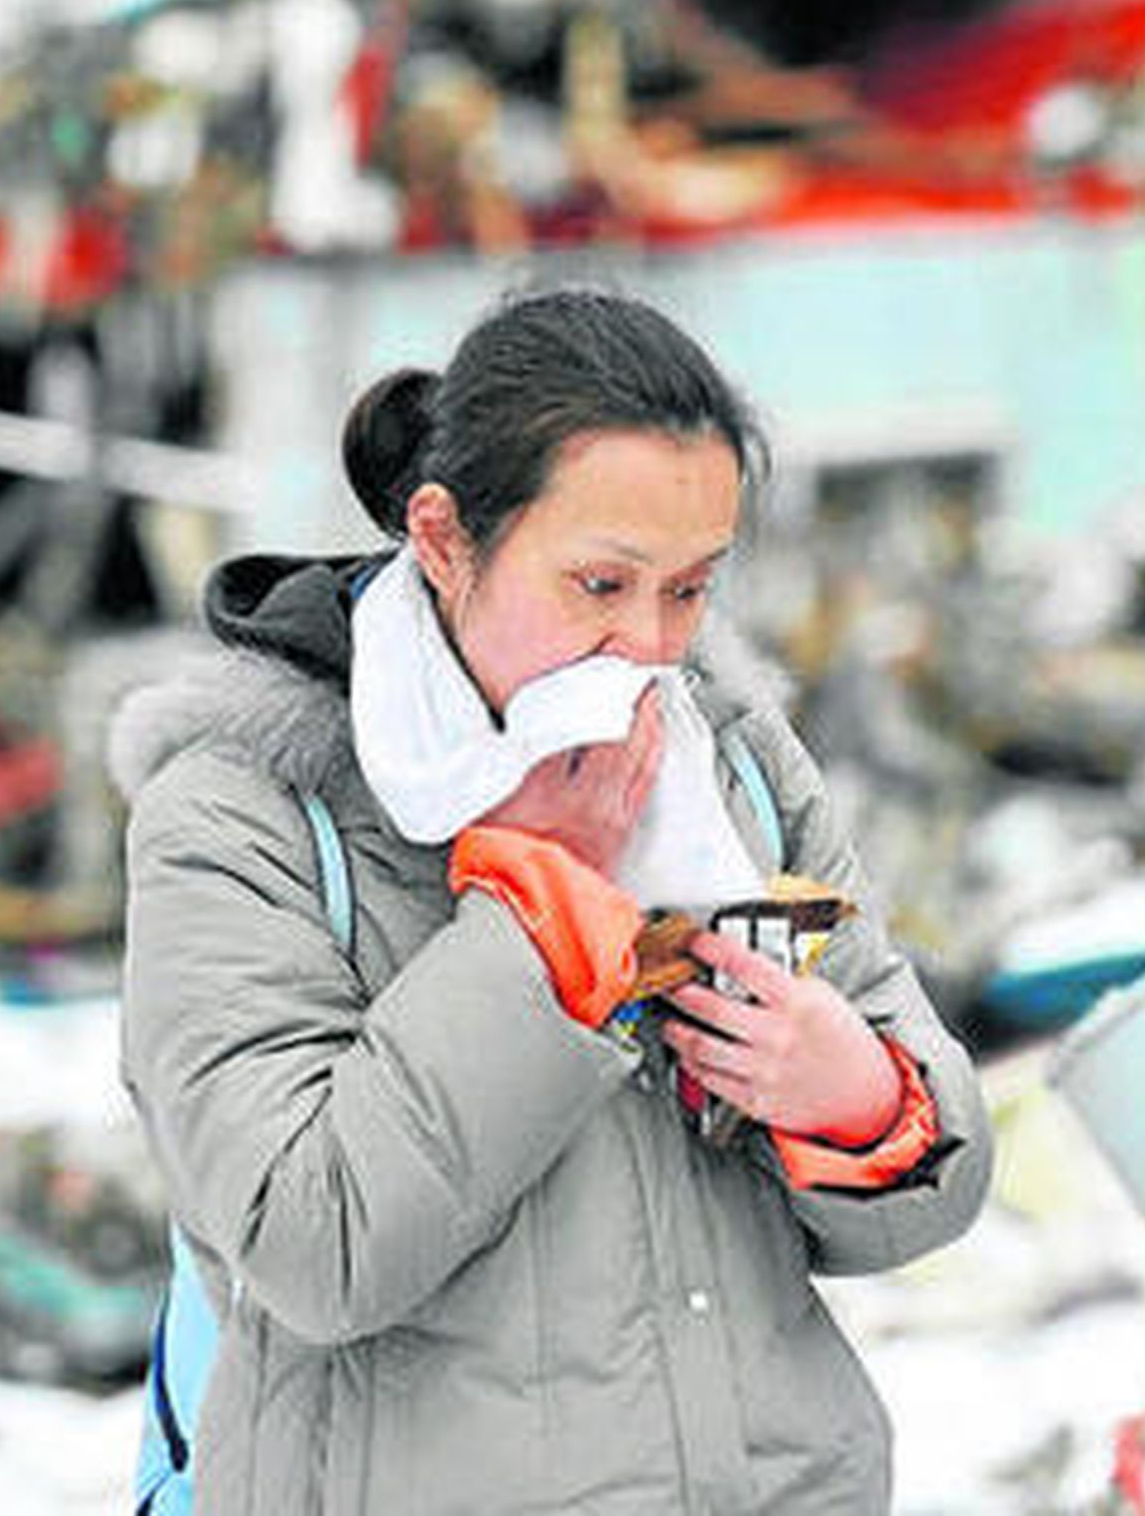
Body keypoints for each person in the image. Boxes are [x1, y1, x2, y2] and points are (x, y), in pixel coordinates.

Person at [110, 284, 992, 1515]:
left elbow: (932, 1189)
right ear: (443, 538)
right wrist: (540, 907)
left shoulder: (724, 760)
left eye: (689, 590)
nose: (646, 645)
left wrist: (857, 1100)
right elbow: (316, 1246)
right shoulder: (245, 810)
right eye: (598, 583)